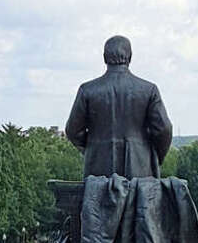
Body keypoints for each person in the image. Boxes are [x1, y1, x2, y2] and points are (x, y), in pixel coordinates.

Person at [65, 35, 173, 179]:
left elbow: (72, 130)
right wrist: (153, 155)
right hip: (140, 167)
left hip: (98, 169)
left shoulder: (87, 90)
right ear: (130, 57)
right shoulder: (148, 90)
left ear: (104, 57)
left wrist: (94, 147)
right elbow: (164, 129)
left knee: (98, 195)